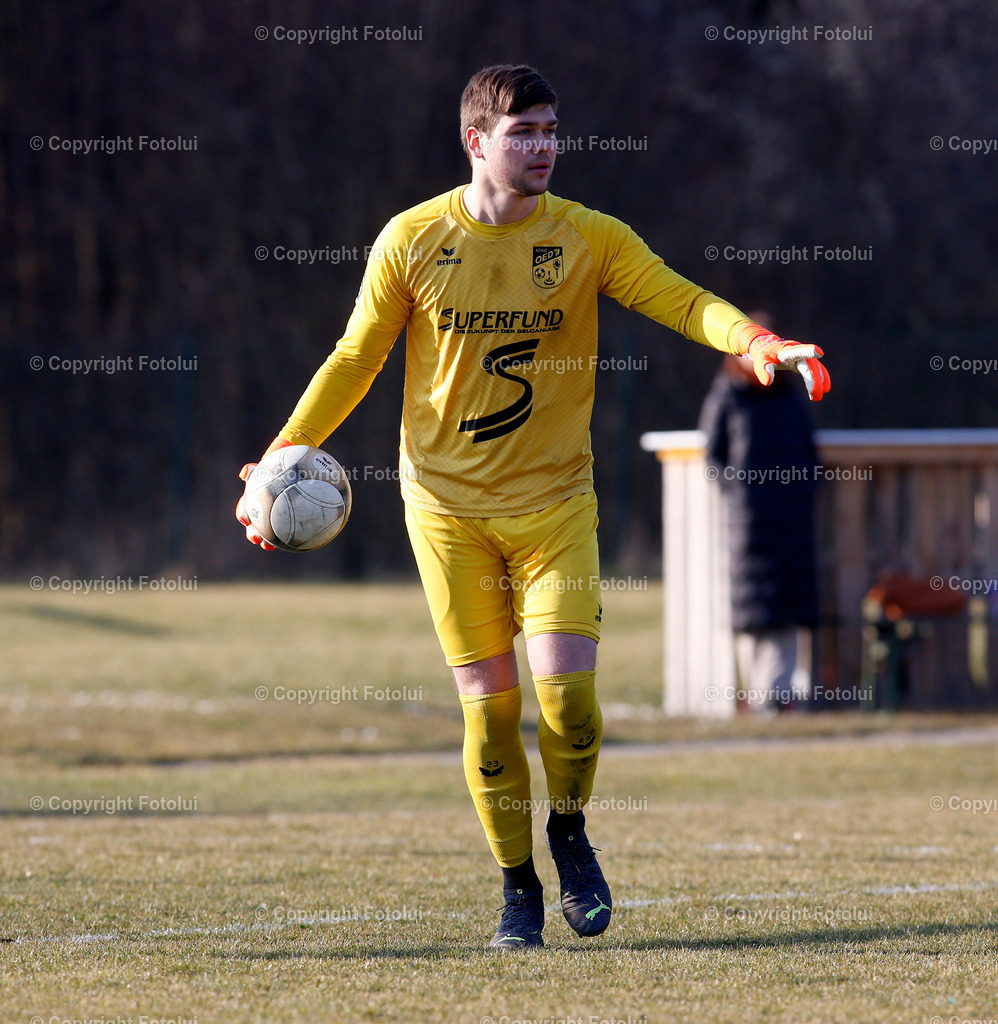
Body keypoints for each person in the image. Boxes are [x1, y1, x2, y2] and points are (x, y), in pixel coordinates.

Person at [235, 65, 830, 950]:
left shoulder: (587, 238)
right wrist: (283, 452)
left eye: (552, 130)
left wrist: (758, 341)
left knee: (571, 704)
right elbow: (356, 357)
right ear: (477, 141)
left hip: (555, 503)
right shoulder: (412, 240)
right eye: (525, 133)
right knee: (489, 714)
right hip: (445, 510)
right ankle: (518, 887)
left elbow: (679, 298)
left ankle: (570, 834)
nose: (544, 147)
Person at [698, 322, 820, 713]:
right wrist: (739, 494)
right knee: (754, 612)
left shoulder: (789, 396)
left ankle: (776, 695)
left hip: (793, 519)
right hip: (749, 522)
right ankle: (764, 695)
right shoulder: (727, 395)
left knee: (788, 607)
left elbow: (809, 449)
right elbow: (713, 453)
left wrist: (802, 489)